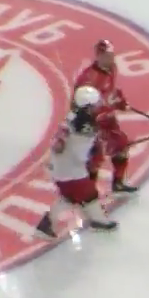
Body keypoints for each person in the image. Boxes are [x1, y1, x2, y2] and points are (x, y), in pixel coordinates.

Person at [35, 85, 118, 238]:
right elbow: (80, 154)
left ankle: (46, 224)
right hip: (71, 171)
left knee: (69, 198)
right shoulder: (84, 127)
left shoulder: (73, 117)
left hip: (60, 167)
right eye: (94, 106)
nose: (97, 108)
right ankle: (99, 221)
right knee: (89, 194)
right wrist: (95, 154)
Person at [73, 39, 137, 194]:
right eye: (108, 56)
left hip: (107, 118)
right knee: (96, 157)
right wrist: (109, 107)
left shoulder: (112, 68)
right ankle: (88, 191)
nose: (111, 59)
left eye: (112, 55)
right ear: (99, 56)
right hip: (92, 122)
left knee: (121, 144)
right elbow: (81, 105)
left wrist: (120, 101)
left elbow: (112, 90)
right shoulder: (88, 79)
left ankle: (118, 182)